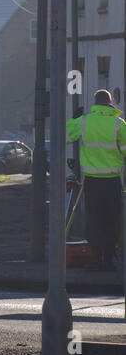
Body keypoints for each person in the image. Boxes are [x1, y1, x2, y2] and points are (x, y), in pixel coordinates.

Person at [66, 90, 126, 271]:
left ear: (95, 103)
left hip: (92, 181)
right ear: (110, 103)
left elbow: (65, 136)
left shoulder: (84, 121)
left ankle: (96, 259)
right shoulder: (118, 124)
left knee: (94, 220)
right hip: (113, 181)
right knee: (112, 220)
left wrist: (73, 119)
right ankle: (109, 259)